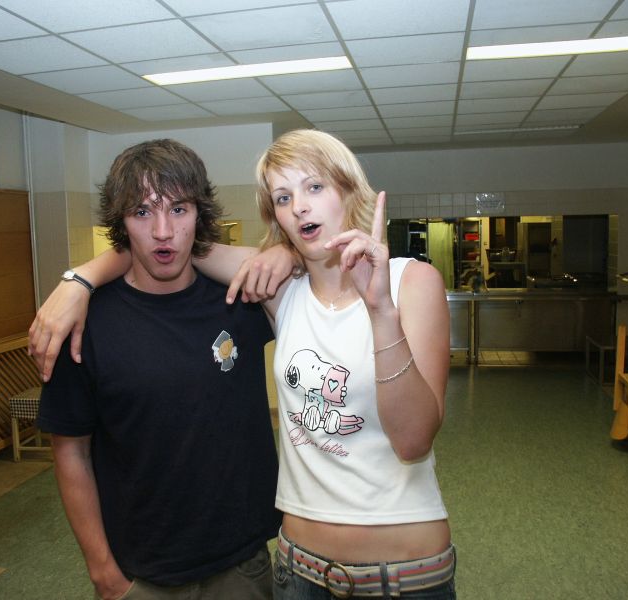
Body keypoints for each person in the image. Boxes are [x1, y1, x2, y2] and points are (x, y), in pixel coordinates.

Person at [31, 129, 456, 599]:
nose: (300, 207)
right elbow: (170, 248)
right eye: (283, 197)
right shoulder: (278, 293)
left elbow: (414, 441)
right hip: (295, 569)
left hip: (386, 573)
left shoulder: (399, 283)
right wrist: (79, 279)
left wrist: (377, 309)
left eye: (315, 187)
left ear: (349, 189)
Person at [35, 139, 284, 600]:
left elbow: (318, 270)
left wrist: (284, 253)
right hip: (140, 573)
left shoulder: (240, 302)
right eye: (142, 212)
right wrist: (104, 574)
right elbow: (71, 453)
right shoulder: (84, 324)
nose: (163, 231)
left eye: (179, 209)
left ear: (200, 215)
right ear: (121, 222)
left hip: (241, 565)